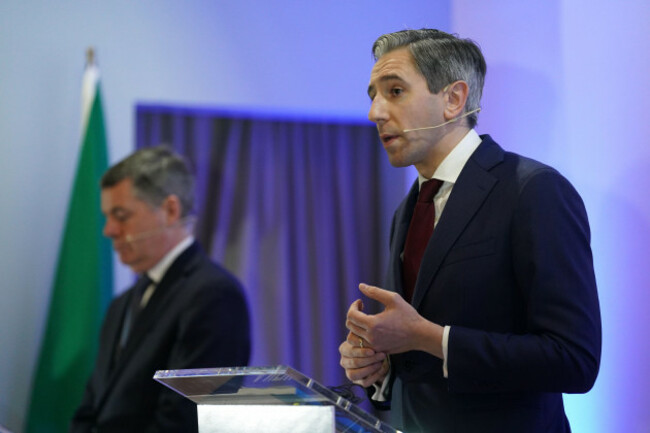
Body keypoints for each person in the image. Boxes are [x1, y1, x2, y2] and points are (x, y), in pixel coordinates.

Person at [339, 29, 601, 433]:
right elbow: (419, 360)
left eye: (394, 91)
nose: (375, 112)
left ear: (453, 99)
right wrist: (379, 366)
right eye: (372, 94)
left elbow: (574, 360)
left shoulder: (532, 191)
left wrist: (429, 338)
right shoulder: (406, 209)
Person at [71, 146, 251, 433]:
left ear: (170, 210)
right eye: (107, 216)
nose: (109, 230)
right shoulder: (122, 304)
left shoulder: (214, 295)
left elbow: (184, 420)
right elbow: (91, 408)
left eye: (120, 214)